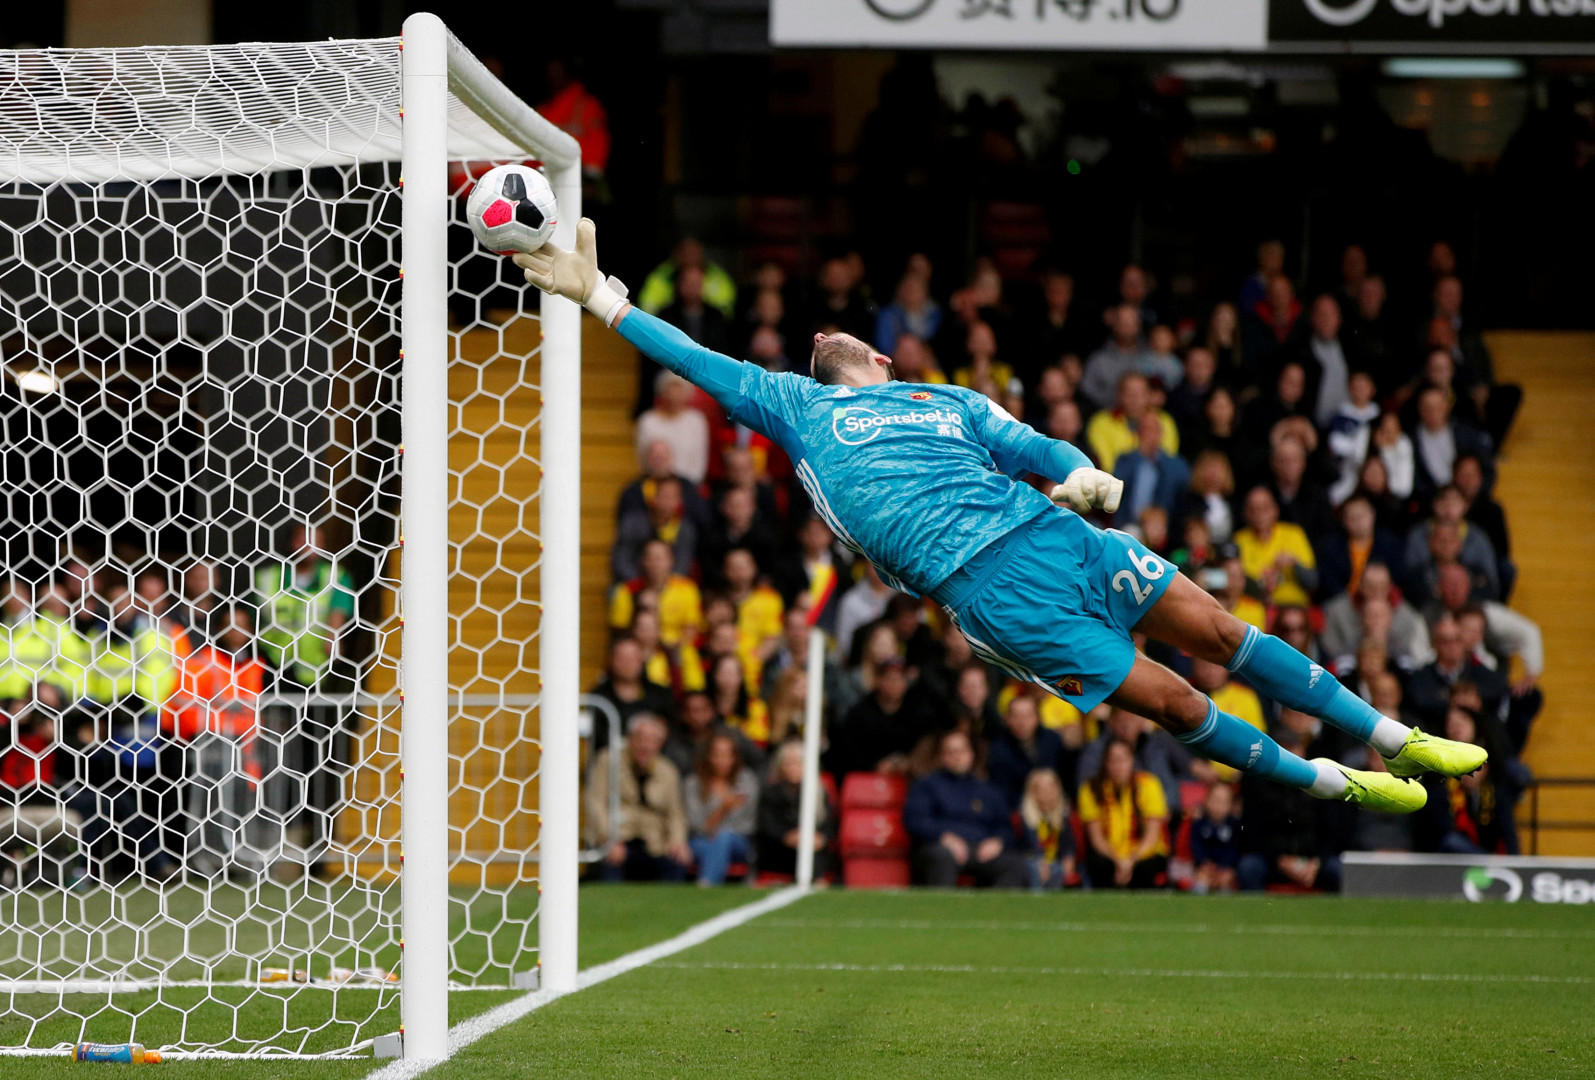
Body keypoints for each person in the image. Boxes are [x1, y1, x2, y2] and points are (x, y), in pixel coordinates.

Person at [521, 222, 1487, 832]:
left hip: (1057, 535)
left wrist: (1088, 479)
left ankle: (1391, 735)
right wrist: (600, 297)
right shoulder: (790, 404)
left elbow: (1043, 450)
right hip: (990, 594)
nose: (824, 332)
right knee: (1180, 706)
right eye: (819, 333)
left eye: (839, 331)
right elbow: (690, 355)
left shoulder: (946, 397)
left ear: (881, 358)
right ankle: (1327, 781)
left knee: (1225, 636)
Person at [903, 730, 1027, 889]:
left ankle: (994, 910)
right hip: (941, 847)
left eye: (962, 750)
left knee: (1015, 864)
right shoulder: (926, 785)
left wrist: (997, 842)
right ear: (942, 757)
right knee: (941, 857)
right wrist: (944, 837)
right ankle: (942, 910)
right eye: (951, 752)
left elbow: (1004, 826)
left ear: (971, 754)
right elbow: (915, 820)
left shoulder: (988, 790)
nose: (958, 756)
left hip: (981, 849)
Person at [585, 715, 691, 882]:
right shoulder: (608, 761)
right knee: (610, 863)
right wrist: (608, 838)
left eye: (652, 741)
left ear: (659, 744)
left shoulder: (667, 770)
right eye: (640, 739)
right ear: (629, 740)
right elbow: (596, 803)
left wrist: (678, 841)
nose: (645, 746)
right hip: (619, 837)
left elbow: (675, 813)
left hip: (654, 842)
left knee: (677, 861)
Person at [1077, 738, 1169, 889]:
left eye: (1122, 760)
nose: (1117, 767)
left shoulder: (1149, 785)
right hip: (1109, 854)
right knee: (1098, 865)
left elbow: (1152, 836)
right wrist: (1118, 860)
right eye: (1112, 760)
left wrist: (1130, 861)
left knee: (1145, 869)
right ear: (1105, 763)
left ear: (1132, 761)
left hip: (1142, 854)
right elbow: (1096, 838)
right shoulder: (1090, 789)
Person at [682, 732, 760, 886]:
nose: (721, 761)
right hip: (700, 841)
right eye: (716, 755)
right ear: (708, 757)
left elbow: (748, 824)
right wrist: (724, 808)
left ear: (734, 758)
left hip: (739, 843)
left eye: (727, 755)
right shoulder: (693, 783)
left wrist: (720, 831)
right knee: (712, 845)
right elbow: (695, 825)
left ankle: (707, 884)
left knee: (723, 837)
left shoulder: (746, 781)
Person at [755, 740, 833, 879]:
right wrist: (787, 836)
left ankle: (818, 881)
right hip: (779, 850)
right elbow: (767, 825)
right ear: (780, 766)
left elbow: (829, 823)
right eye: (788, 763)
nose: (792, 768)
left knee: (811, 851)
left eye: (798, 763)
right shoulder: (771, 792)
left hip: (813, 849)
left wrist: (820, 838)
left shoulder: (818, 792)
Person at [1233, 486, 1318, 608]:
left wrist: (1294, 564)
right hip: (1255, 608)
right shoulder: (1238, 540)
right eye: (1253, 509)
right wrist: (1262, 585)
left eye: (1264, 508)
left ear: (1275, 510)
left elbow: (1312, 582)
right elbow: (1232, 580)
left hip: (1293, 608)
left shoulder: (1294, 534)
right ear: (1246, 514)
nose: (1259, 514)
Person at [588, 636, 676, 750]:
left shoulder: (661, 694)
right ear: (611, 660)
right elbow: (597, 739)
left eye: (633, 658)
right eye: (622, 658)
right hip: (613, 760)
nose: (628, 663)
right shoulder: (598, 697)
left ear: (642, 660)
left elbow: (673, 732)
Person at [985, 693, 1067, 812]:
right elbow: (1001, 791)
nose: (1022, 722)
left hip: (1056, 807)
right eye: (1016, 716)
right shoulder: (998, 749)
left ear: (1037, 718)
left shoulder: (1053, 740)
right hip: (1017, 812)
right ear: (1007, 719)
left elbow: (1065, 778)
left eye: (1027, 716)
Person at [1112, 412, 1190, 527]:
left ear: (1161, 433)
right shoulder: (1125, 460)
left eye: (1153, 430)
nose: (1149, 435)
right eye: (1144, 430)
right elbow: (1117, 485)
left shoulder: (1175, 465)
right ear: (1137, 434)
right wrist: (1140, 454)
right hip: (1127, 524)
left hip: (1163, 527)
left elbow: (1183, 488)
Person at [635, 373, 710, 486]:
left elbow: (700, 461)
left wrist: (686, 489)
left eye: (679, 391)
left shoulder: (696, 421)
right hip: (655, 485)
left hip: (689, 486)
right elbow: (643, 459)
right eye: (670, 390)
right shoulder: (647, 421)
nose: (674, 396)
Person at [1017, 768, 1075, 891]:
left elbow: (1069, 846)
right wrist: (1040, 862)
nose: (1047, 795)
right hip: (1031, 863)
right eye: (1042, 790)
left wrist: (1069, 858)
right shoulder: (1024, 818)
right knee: (1036, 868)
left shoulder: (1063, 817)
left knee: (1059, 869)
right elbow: (1026, 849)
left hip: (1055, 862)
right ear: (1032, 793)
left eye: (1051, 790)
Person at [1189, 781, 1241, 894]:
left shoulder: (1234, 825)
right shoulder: (1198, 824)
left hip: (1225, 868)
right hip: (1204, 867)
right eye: (1215, 800)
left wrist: (1224, 866)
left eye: (1223, 802)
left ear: (1231, 805)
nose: (1218, 806)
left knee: (1226, 879)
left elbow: (1234, 849)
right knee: (1201, 878)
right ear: (1206, 801)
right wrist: (1204, 863)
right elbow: (1196, 846)